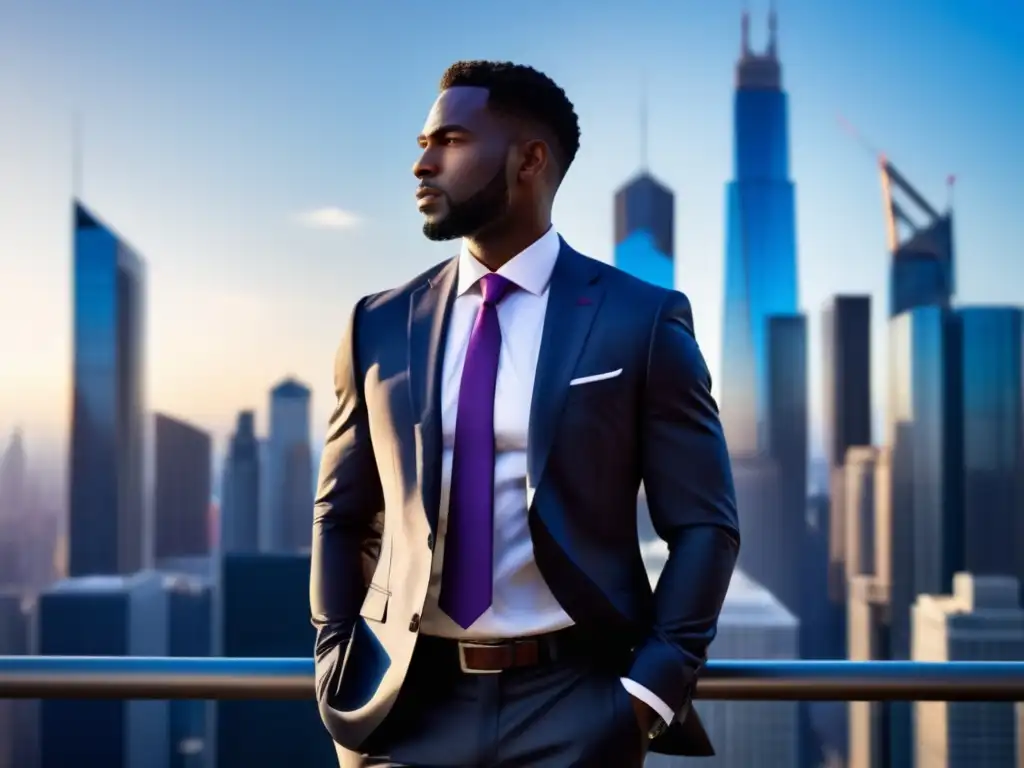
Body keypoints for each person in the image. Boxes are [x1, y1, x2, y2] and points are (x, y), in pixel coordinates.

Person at [310, 60, 740, 768]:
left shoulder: (640, 320)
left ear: (529, 159)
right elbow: (341, 515)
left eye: (449, 140)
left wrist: (647, 694)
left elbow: (705, 525)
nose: (422, 163)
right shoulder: (376, 326)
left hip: (578, 706)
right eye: (422, 142)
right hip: (405, 709)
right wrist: (336, 659)